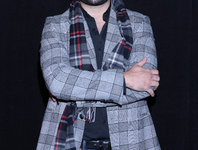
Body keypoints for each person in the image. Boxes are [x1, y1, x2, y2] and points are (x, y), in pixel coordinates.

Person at [37, 0, 161, 149]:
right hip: (69, 141)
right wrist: (124, 79)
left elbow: (146, 84)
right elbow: (57, 82)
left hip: (132, 141)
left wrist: (72, 89)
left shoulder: (139, 23)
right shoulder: (55, 25)